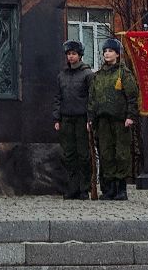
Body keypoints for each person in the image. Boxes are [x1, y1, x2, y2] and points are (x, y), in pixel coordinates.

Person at [89, 38, 140, 200]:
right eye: (105, 51)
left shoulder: (124, 73)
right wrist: (91, 118)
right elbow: (92, 99)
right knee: (106, 153)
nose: (107, 54)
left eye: (110, 51)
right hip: (102, 120)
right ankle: (109, 188)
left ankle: (121, 189)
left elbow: (132, 96)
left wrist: (130, 116)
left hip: (120, 120)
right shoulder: (98, 76)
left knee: (121, 153)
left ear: (117, 54)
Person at [52, 40, 93, 199]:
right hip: (66, 119)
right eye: (69, 54)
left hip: (82, 118)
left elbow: (92, 98)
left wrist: (90, 119)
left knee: (83, 155)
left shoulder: (87, 74)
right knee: (69, 155)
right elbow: (58, 97)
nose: (71, 56)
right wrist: (57, 118)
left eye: (74, 54)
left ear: (80, 55)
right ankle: (72, 188)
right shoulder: (62, 75)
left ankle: (84, 188)